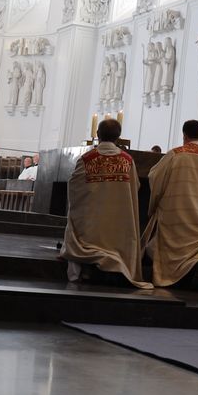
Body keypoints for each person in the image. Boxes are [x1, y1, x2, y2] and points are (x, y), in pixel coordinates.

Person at [142, 118, 198, 291]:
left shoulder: (174, 155)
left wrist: (155, 206)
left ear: (184, 135)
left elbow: (155, 178)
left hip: (176, 223)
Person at [63, 118, 145, 286]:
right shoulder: (127, 160)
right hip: (119, 227)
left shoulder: (87, 159)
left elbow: (74, 188)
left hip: (91, 226)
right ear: (118, 137)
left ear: (98, 134)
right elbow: (135, 186)